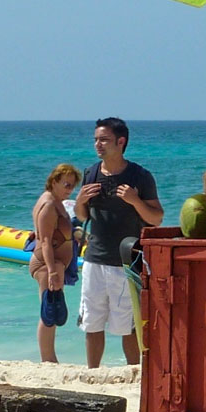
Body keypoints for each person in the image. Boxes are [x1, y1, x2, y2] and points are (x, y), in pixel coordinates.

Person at [75, 117, 163, 369]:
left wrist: (135, 201)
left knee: (128, 326)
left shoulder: (139, 176)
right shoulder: (90, 173)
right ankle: (92, 373)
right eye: (95, 140)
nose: (98, 145)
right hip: (94, 259)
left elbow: (156, 218)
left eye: (104, 140)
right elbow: (83, 217)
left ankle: (133, 372)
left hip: (126, 261)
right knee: (91, 323)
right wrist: (80, 200)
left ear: (121, 142)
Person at [29, 163, 82, 363]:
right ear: (54, 182)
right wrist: (52, 270)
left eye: (72, 185)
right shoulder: (49, 205)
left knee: (52, 308)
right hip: (46, 264)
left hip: (54, 263)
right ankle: (48, 359)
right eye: (66, 184)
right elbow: (45, 241)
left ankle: (50, 357)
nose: (70, 189)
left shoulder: (56, 201)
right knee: (48, 311)